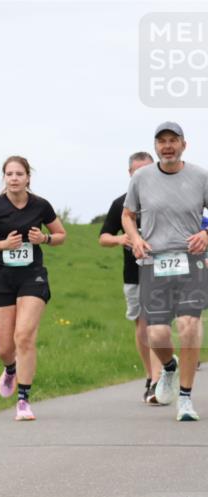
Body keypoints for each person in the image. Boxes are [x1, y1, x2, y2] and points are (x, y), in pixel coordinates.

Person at [122, 122, 208, 422]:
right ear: (156, 146)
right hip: (154, 264)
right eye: (162, 141)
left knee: (188, 326)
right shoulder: (142, 178)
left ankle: (185, 398)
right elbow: (128, 214)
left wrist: (206, 235)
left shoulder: (200, 176)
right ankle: (168, 368)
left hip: (191, 261)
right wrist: (134, 238)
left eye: (173, 140)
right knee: (156, 334)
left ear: (184, 144)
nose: (167, 146)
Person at [0, 156, 67, 421]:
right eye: (9, 174)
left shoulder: (40, 205)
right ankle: (10, 369)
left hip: (32, 276)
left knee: (23, 336)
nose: (14, 178)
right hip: (2, 278)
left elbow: (61, 235)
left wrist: (44, 238)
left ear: (28, 178)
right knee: (3, 347)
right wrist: (2, 245)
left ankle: (23, 400)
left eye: (19, 173)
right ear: (5, 178)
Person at [99, 151, 162, 404]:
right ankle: (151, 374)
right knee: (142, 326)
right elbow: (103, 237)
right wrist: (121, 238)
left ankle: (158, 380)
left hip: (163, 272)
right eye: (138, 171)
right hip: (134, 273)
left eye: (148, 170)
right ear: (130, 174)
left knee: (157, 324)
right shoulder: (121, 204)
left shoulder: (165, 200)